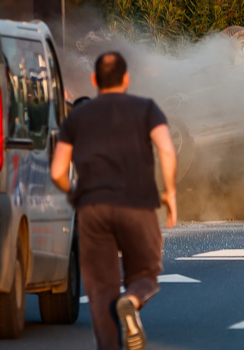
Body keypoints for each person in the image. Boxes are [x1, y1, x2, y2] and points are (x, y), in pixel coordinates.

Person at [51, 52, 178, 350]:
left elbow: (57, 170)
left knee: (100, 291)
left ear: (94, 80)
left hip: (92, 208)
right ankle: (132, 300)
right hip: (137, 204)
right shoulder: (145, 108)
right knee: (145, 274)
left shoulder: (77, 117)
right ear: (126, 79)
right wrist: (170, 192)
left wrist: (74, 193)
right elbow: (167, 149)